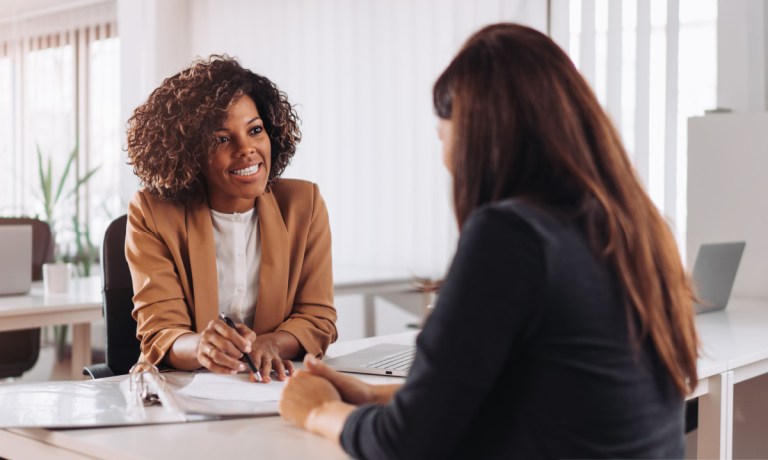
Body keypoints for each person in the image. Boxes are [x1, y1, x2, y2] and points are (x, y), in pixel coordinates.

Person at [278, 23, 699, 459]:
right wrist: (371, 397)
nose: (445, 162)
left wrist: (319, 411)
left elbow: (406, 445)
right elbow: (539, 396)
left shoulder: (512, 236)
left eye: (443, 136)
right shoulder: (640, 228)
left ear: (477, 135)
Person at [125, 55, 337, 381]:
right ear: (190, 151)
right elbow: (161, 331)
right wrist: (201, 347)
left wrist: (272, 344)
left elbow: (317, 317)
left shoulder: (303, 205)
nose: (247, 149)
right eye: (222, 139)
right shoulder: (152, 213)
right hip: (182, 392)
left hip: (270, 388)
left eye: (255, 130)